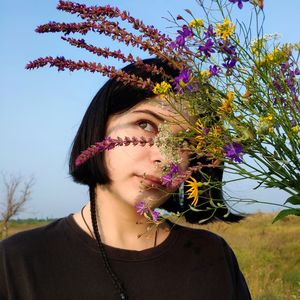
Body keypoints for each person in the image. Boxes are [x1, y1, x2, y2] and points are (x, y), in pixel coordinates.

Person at [0, 58, 251, 299]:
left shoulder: (213, 258)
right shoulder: (16, 263)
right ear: (100, 126)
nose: (166, 159)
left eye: (184, 142)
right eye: (145, 125)